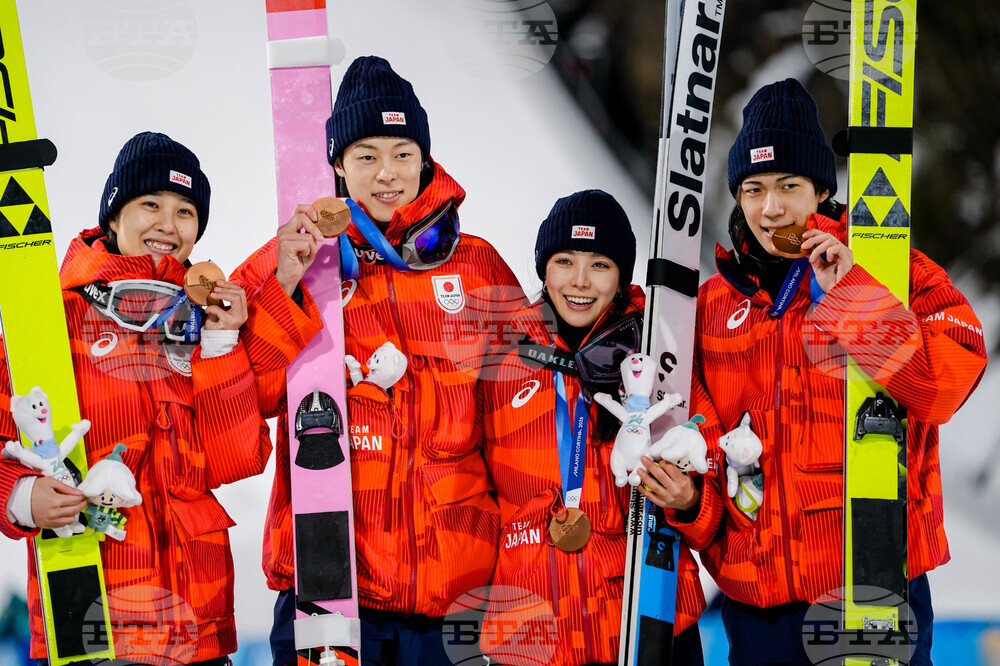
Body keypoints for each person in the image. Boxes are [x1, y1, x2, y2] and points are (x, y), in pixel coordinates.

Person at [653, 78, 988, 665]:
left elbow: (942, 387)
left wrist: (854, 296)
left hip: (876, 596)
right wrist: (689, 505)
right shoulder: (705, 311)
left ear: (822, 190)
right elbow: (699, 456)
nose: (771, 207)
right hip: (758, 613)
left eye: (789, 185)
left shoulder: (889, 267)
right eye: (753, 188)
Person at [230, 56, 526, 666]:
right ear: (337, 164)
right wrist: (281, 282)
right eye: (365, 155)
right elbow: (244, 398)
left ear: (425, 158)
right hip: (327, 593)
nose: (386, 173)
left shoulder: (477, 268)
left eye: (401, 152)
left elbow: (524, 427)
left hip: (454, 603)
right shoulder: (298, 256)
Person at [0, 131, 271, 665]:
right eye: (150, 204)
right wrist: (19, 495)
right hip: (90, 613)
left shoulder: (204, 322)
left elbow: (234, 458)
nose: (168, 225)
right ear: (114, 214)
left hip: (197, 623)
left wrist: (220, 345)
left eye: (186, 211)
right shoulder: (52, 319)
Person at [479, 189, 706, 665]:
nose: (579, 281)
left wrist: (691, 501)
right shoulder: (500, 359)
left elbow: (710, 464)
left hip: (651, 627)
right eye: (564, 260)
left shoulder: (661, 353)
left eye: (600, 264)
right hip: (532, 635)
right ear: (544, 269)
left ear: (622, 275)